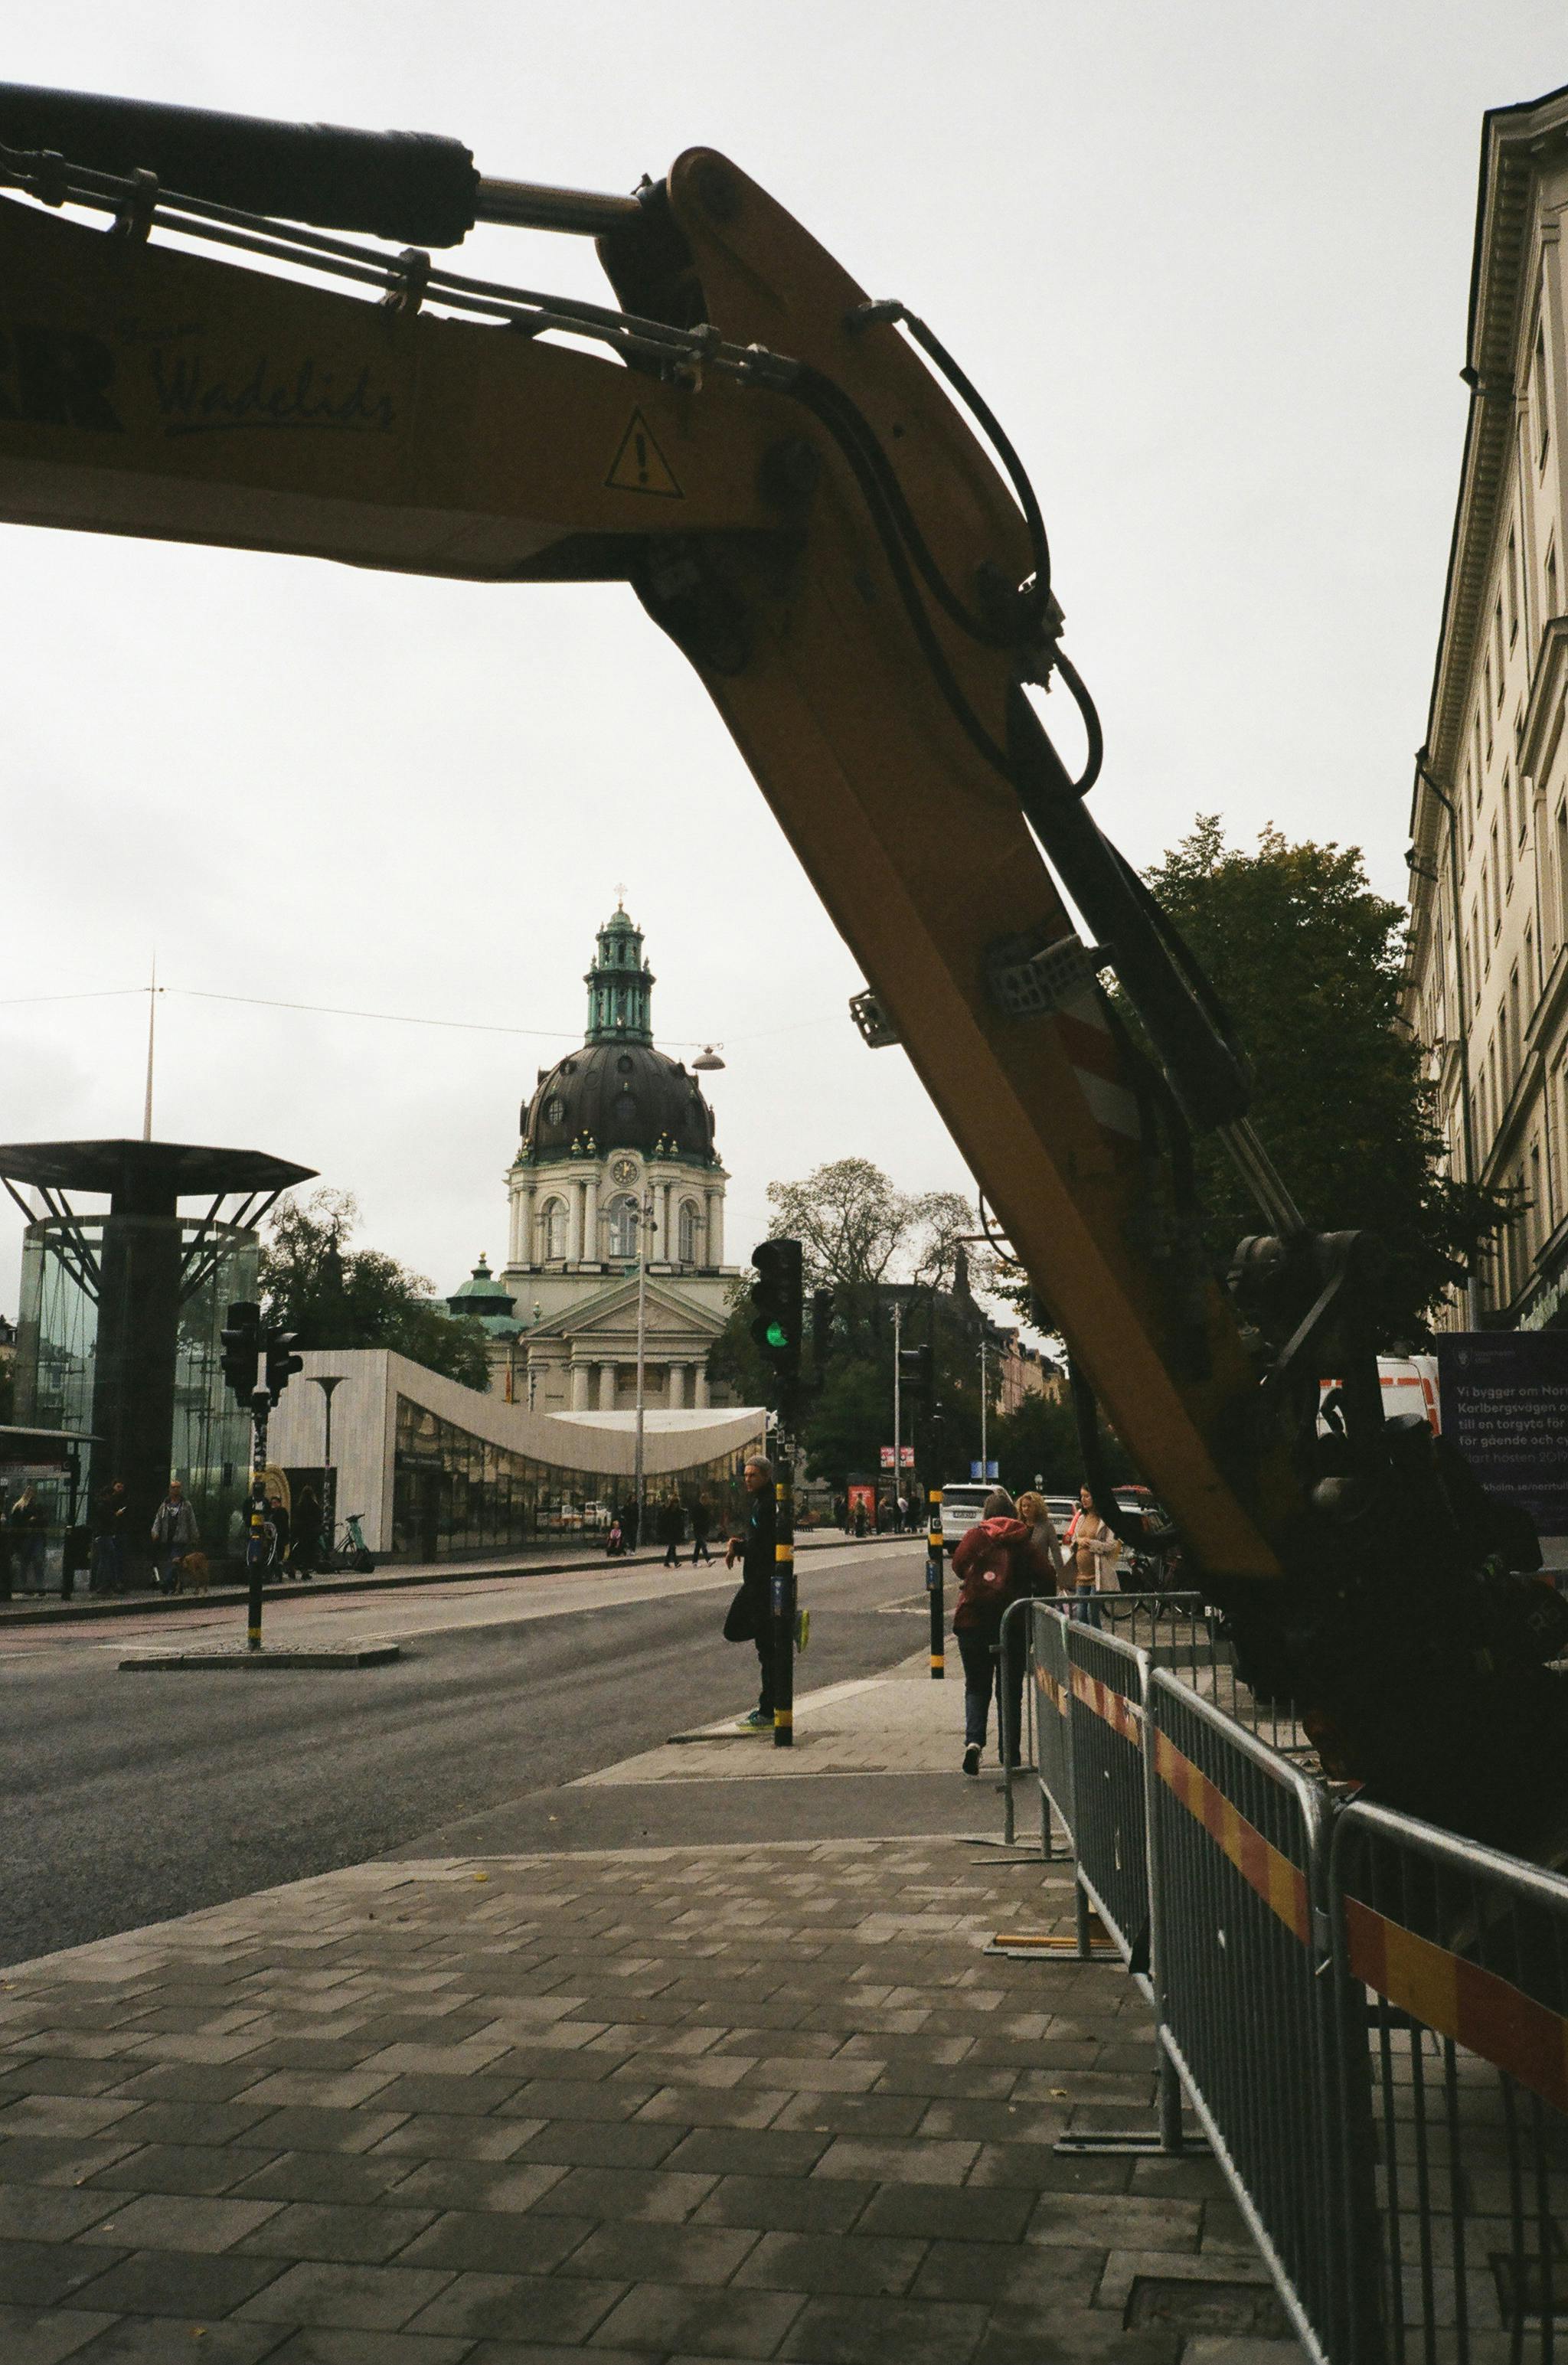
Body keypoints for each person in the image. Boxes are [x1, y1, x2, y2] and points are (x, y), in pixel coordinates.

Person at [951, 1485, 1057, 1776]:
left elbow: (958, 1565)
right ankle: (1010, 1754)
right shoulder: (1023, 1540)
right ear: (1012, 1513)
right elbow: (1047, 1576)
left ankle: (974, 1743)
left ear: (986, 1513)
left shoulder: (976, 1536)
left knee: (976, 1685)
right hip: (1012, 1623)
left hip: (973, 1622)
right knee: (1009, 1689)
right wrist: (1034, 1603)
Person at [726, 1455, 777, 1730]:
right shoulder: (760, 1502)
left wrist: (740, 1547)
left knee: (759, 1644)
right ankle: (779, 1626)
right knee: (766, 1648)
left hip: (761, 1582)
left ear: (766, 1476)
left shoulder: (767, 1504)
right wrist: (741, 1543)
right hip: (758, 1581)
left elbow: (763, 1545)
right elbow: (758, 1539)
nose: (747, 1479)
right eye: (745, 1475)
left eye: (753, 1475)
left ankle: (768, 1710)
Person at [1063, 1482, 1120, 1625]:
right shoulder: (1081, 1517)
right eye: (1082, 1496)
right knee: (1080, 1613)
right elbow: (1074, 1539)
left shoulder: (1105, 1519)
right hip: (1081, 1574)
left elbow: (1112, 1545)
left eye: (1087, 1496)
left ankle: (1096, 1638)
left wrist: (1091, 1544)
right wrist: (1078, 1541)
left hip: (1097, 1574)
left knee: (1092, 1612)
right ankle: (1084, 1639)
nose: (1083, 1500)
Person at [150, 1478, 199, 1592]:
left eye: (178, 1487)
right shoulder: (165, 1505)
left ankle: (166, 1583)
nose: (176, 1489)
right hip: (167, 1538)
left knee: (175, 1561)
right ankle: (177, 1586)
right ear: (170, 1489)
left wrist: (195, 1535)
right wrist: (155, 1532)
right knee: (175, 1563)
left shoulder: (186, 1505)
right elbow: (158, 1519)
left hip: (180, 1538)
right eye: (173, 1487)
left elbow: (192, 1520)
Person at [91, 1478, 130, 1593]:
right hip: (106, 1534)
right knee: (108, 1558)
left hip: (109, 1533)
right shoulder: (104, 1505)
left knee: (107, 1558)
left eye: (122, 1487)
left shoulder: (104, 1504)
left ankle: (106, 1584)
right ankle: (105, 1584)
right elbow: (106, 1518)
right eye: (118, 1487)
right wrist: (116, 1515)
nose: (120, 1490)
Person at [9, 1483, 47, 1594]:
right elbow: (16, 1524)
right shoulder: (22, 1507)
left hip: (30, 1536)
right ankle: (31, 1587)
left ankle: (34, 1587)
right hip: (28, 1536)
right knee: (30, 1562)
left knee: (32, 1562)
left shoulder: (23, 1506)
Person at [291, 1481, 322, 1581]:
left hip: (300, 1532)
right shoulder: (315, 1505)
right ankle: (305, 1572)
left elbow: (296, 1519)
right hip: (311, 1532)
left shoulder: (299, 1505)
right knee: (308, 1553)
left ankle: (292, 1569)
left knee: (298, 1551)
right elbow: (319, 1519)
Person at [658, 1492, 684, 1570]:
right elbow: (662, 1521)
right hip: (668, 1531)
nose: (675, 1505)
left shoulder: (678, 1512)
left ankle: (666, 1562)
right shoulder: (667, 1511)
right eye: (674, 1503)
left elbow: (680, 1522)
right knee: (673, 1546)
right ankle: (676, 1562)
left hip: (675, 1531)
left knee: (671, 1547)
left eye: (677, 1503)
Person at [691, 1491, 714, 1566]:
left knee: (698, 1546)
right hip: (698, 1529)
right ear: (703, 1499)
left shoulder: (703, 1507)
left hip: (701, 1529)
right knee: (703, 1545)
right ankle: (708, 1560)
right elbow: (696, 1518)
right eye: (707, 1500)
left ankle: (694, 1561)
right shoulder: (698, 1507)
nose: (708, 1501)